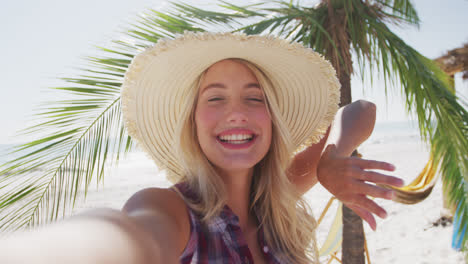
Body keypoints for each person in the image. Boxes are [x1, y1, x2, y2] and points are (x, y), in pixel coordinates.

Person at [0, 32, 403, 264]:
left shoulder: (276, 200)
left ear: (272, 119)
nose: (236, 114)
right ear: (192, 123)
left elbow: (359, 110)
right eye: (214, 99)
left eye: (254, 98)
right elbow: (124, 236)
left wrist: (331, 159)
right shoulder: (171, 212)